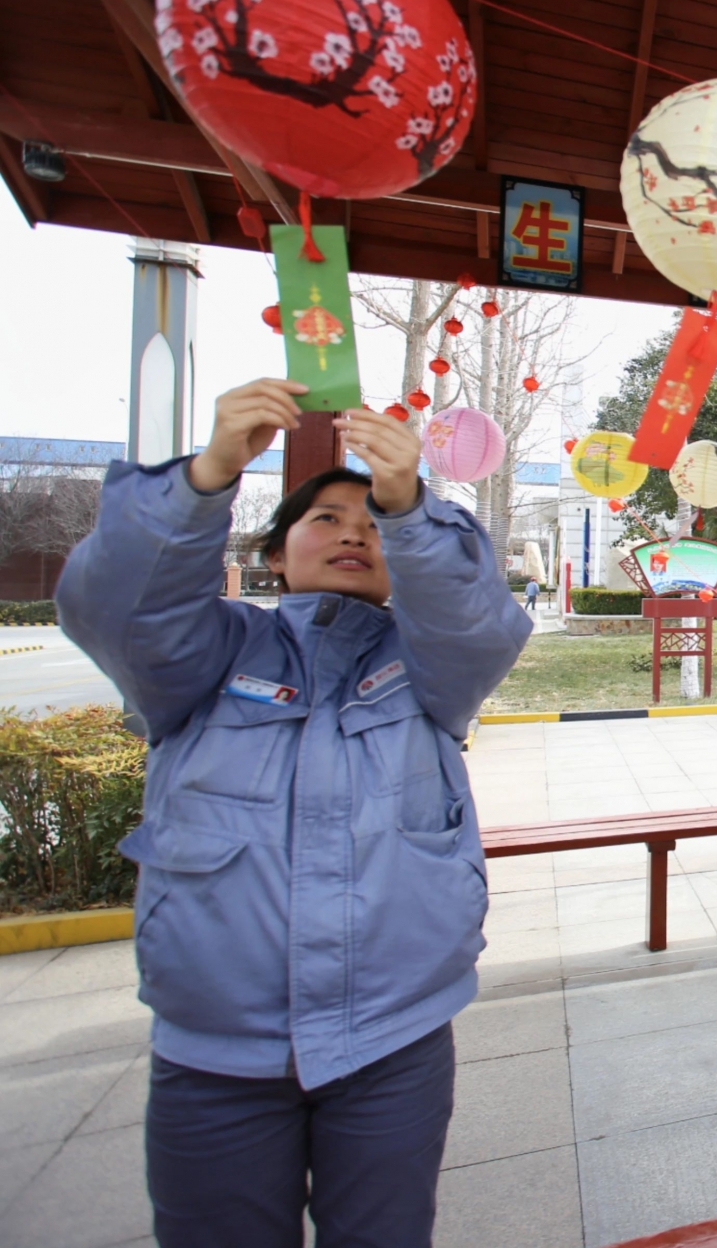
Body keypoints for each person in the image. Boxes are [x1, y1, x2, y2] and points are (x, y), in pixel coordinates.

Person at [57, 378, 532, 1248]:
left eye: (373, 523)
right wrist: (207, 474)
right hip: (215, 1047)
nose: (354, 531)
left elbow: (476, 617)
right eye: (325, 518)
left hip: (395, 1035)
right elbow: (119, 604)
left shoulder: (429, 666)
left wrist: (410, 504)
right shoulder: (206, 654)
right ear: (275, 554)